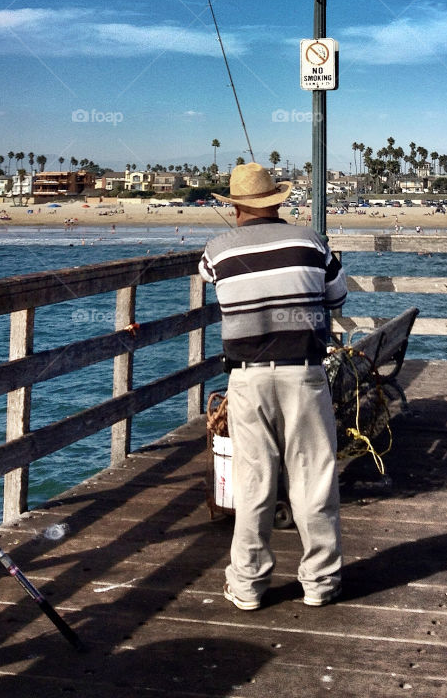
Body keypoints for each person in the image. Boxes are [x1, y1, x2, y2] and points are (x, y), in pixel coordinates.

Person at [199, 162, 347, 611]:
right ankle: (320, 582)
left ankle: (247, 585)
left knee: (253, 482)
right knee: (314, 479)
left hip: (247, 377)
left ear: (236, 206)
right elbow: (336, 298)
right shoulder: (311, 242)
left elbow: (208, 277)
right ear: (277, 201)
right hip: (304, 372)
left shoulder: (217, 250)